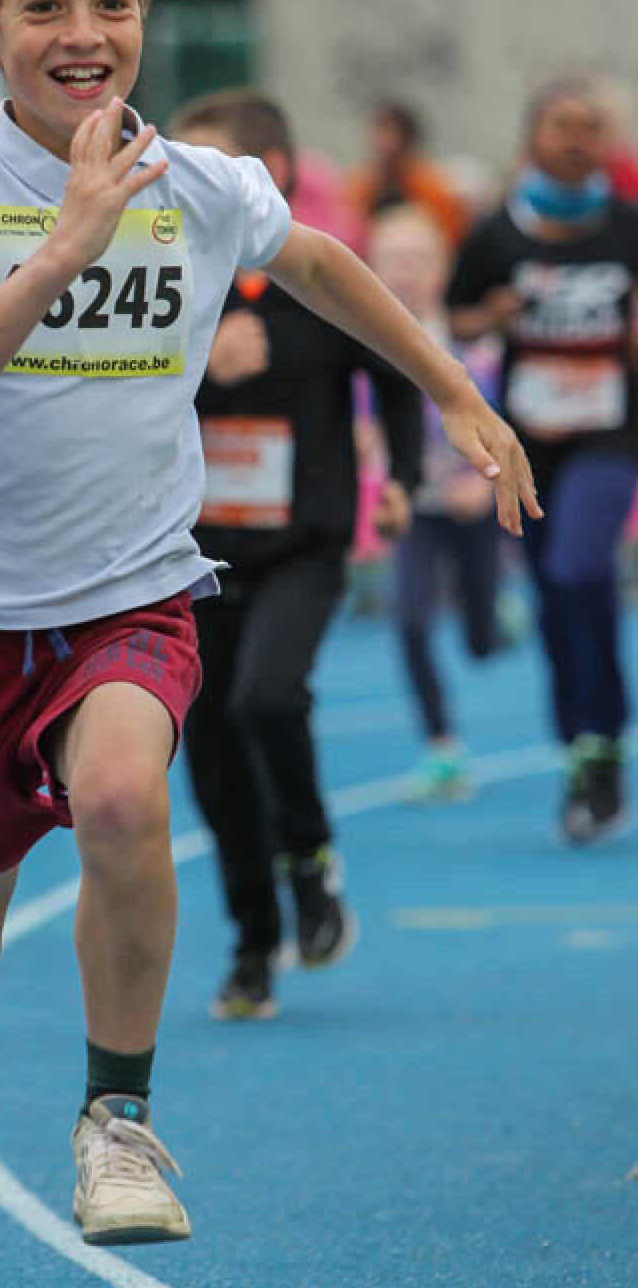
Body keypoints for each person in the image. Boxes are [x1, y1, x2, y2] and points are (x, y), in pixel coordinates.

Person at [0, 0, 538, 1262]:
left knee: (125, 798)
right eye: (43, 7)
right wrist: (63, 247)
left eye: (112, 2)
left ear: (144, 17)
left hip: (129, 596)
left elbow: (318, 261)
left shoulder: (199, 183)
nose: (82, 32)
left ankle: (118, 1120)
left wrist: (449, 388)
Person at [167, 88, 423, 1021]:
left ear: (265, 173)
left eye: (202, 163)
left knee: (268, 698)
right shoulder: (163, 282)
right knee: (211, 749)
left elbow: (398, 374)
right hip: (194, 554)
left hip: (304, 542)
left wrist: (402, 478)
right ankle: (252, 938)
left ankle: (309, 861)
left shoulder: (317, 274)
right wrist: (198, 369)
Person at [448, 75, 638, 844]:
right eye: (563, 126)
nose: (577, 141)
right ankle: (584, 748)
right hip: (525, 444)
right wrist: (489, 316)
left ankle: (605, 731)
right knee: (557, 596)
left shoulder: (628, 226)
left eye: (590, 128)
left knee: (578, 568)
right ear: (533, 138)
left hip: (611, 435)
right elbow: (454, 318)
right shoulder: (496, 235)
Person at [367, 205, 504, 803]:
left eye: (419, 259)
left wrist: (487, 479)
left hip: (473, 503)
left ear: (444, 269)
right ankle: (442, 745)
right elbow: (359, 418)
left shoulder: (476, 343)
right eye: (393, 260)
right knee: (411, 618)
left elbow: (507, 414)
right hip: (416, 505)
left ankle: (494, 619)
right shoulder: (363, 339)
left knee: (480, 639)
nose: (406, 272)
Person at [345, 98, 471, 251]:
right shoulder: (360, 184)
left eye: (390, 134)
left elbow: (449, 235)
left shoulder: (431, 185)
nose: (383, 142)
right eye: (379, 133)